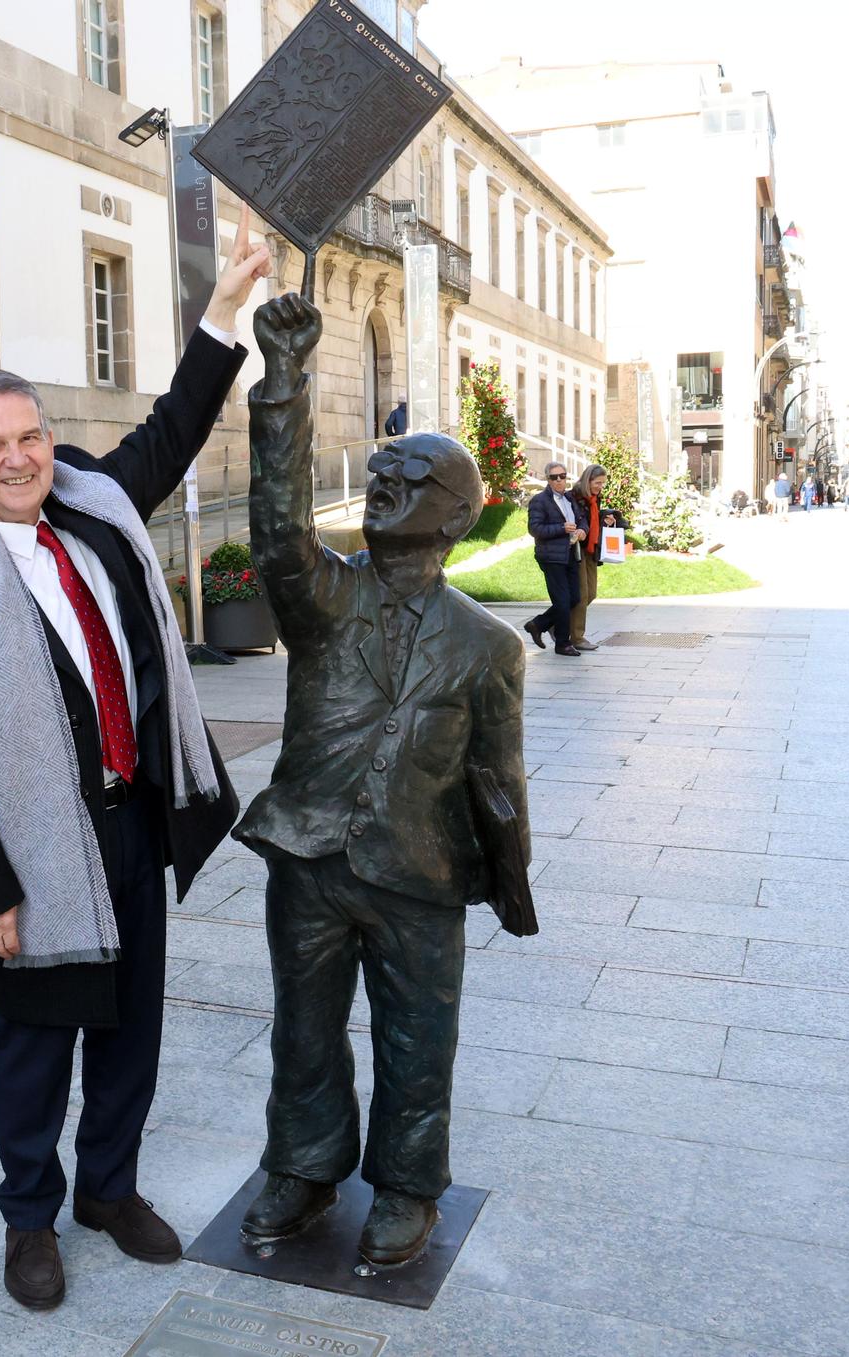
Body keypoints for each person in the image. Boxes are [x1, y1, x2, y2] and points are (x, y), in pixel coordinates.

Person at [0, 212, 270, 1311]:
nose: (19, 458)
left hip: (127, 816)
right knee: (34, 1043)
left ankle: (108, 1188)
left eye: (31, 436)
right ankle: (28, 1219)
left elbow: (172, 428)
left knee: (131, 1023)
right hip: (28, 844)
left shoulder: (95, 506)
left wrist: (222, 312)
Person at [234, 290, 528, 1268]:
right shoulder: (323, 599)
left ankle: (406, 1185)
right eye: (380, 474)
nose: (382, 487)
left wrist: (508, 881)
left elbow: (495, 774)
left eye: (406, 479)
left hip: (418, 869)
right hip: (310, 854)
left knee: (416, 1036)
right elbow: (277, 526)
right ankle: (305, 1165)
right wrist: (283, 379)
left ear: (454, 511)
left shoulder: (487, 647)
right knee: (303, 1029)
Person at [523, 461, 583, 656]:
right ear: (547, 480)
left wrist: (583, 530)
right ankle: (563, 643)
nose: (559, 480)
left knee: (574, 598)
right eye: (554, 477)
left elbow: (582, 520)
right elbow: (535, 529)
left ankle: (539, 624)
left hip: (571, 554)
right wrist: (561, 528)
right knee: (563, 600)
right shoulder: (540, 501)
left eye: (562, 476)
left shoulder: (569, 498)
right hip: (551, 557)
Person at [567, 463, 625, 652]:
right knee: (582, 595)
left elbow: (591, 520)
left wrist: (604, 519)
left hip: (591, 548)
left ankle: (554, 623)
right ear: (588, 480)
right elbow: (578, 519)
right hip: (577, 549)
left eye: (602, 484)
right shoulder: (574, 496)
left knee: (591, 593)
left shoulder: (594, 498)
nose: (600, 487)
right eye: (597, 483)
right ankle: (577, 637)